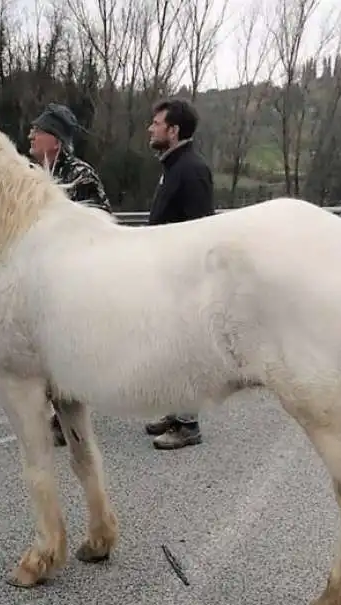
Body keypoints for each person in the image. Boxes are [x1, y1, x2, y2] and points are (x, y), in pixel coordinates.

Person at [27, 102, 111, 446]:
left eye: (38, 130)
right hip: (38, 278)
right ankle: (55, 412)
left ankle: (68, 420)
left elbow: (102, 225)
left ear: (56, 141)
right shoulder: (29, 175)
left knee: (67, 352)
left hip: (74, 280)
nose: (30, 134)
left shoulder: (80, 175)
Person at [144, 97, 214, 451]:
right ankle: (175, 413)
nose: (151, 128)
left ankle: (188, 424)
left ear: (174, 131)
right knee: (171, 350)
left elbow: (200, 231)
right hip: (166, 277)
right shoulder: (173, 166)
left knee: (185, 350)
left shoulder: (192, 169)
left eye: (157, 123)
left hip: (184, 280)